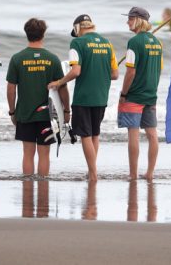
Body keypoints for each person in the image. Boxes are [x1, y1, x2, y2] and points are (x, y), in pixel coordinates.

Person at [48, 14, 118, 181]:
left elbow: (76, 71)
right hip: (101, 96)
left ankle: (93, 174)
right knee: (95, 134)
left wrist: (58, 82)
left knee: (86, 135)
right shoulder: (107, 44)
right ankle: (91, 171)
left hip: (84, 97)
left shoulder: (77, 43)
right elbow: (114, 74)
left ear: (78, 28)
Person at [6, 18, 70, 176]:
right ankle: (43, 187)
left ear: (27, 33)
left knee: (27, 154)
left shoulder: (17, 58)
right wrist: (66, 110)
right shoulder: (52, 59)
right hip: (46, 116)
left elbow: (11, 88)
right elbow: (62, 87)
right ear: (43, 34)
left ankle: (27, 185)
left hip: (25, 113)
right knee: (44, 154)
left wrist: (13, 112)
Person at [118, 7, 162, 182]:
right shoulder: (156, 42)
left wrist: (123, 93)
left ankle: (133, 174)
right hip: (151, 95)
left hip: (134, 96)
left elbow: (130, 72)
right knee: (152, 135)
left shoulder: (134, 42)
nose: (127, 21)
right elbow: (158, 70)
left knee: (133, 134)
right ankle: (150, 173)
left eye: (130, 18)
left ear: (138, 20)